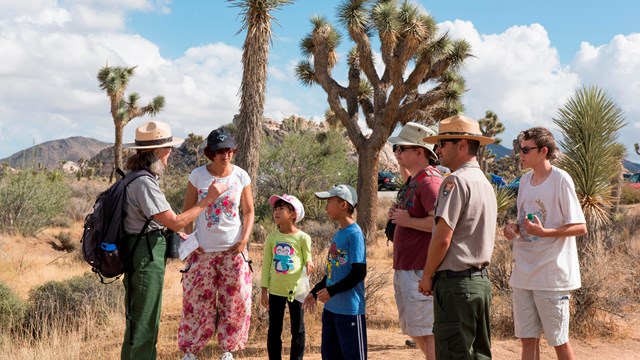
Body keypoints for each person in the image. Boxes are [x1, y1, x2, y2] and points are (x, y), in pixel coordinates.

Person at [121, 120, 228, 360]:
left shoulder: (133, 177)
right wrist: (208, 199)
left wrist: (171, 231)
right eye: (168, 148)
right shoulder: (144, 183)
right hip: (145, 256)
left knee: (136, 320)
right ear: (157, 152)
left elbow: (154, 220)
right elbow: (176, 221)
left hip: (138, 250)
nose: (171, 153)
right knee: (146, 321)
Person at [502, 127, 587, 360]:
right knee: (527, 340)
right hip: (523, 274)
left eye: (526, 149)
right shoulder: (525, 180)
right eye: (520, 148)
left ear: (544, 151)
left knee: (559, 341)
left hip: (551, 276)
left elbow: (580, 226)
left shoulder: (561, 180)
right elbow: (523, 220)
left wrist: (544, 231)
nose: (521, 153)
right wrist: (513, 228)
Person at [418, 114, 498, 359]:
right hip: (479, 283)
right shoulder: (484, 183)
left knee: (454, 353)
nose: (438, 149)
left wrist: (427, 276)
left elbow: (442, 238)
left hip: (456, 284)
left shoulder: (455, 181)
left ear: (462, 145)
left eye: (443, 143)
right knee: (478, 354)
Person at [178, 127, 255, 360]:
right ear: (210, 152)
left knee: (235, 301)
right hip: (203, 252)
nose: (226, 154)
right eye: (220, 150)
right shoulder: (198, 175)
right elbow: (187, 212)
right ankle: (191, 351)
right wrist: (191, 242)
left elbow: (249, 211)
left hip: (233, 250)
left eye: (229, 149)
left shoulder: (241, 176)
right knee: (196, 302)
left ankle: (228, 350)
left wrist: (243, 240)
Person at [387, 122, 443, 360]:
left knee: (427, 331)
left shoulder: (429, 182)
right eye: (396, 149)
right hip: (407, 266)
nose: (397, 153)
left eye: (401, 148)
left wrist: (407, 221)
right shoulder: (415, 180)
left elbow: (440, 224)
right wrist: (399, 216)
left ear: (420, 151)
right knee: (415, 328)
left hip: (419, 267)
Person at [303, 184, 367, 360]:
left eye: (330, 202)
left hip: (350, 312)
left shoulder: (354, 234)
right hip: (331, 311)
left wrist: (332, 291)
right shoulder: (338, 234)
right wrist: (315, 292)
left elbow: (358, 272)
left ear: (343, 205)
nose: (326, 207)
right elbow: (332, 273)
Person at [261, 194, 313, 360]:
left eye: (281, 208)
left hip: (297, 290)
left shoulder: (303, 237)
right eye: (275, 209)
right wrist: (264, 290)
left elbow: (307, 257)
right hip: (276, 290)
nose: (276, 212)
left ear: (293, 214)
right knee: (274, 329)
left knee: (297, 329)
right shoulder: (272, 238)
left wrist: (310, 263)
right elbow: (267, 265)